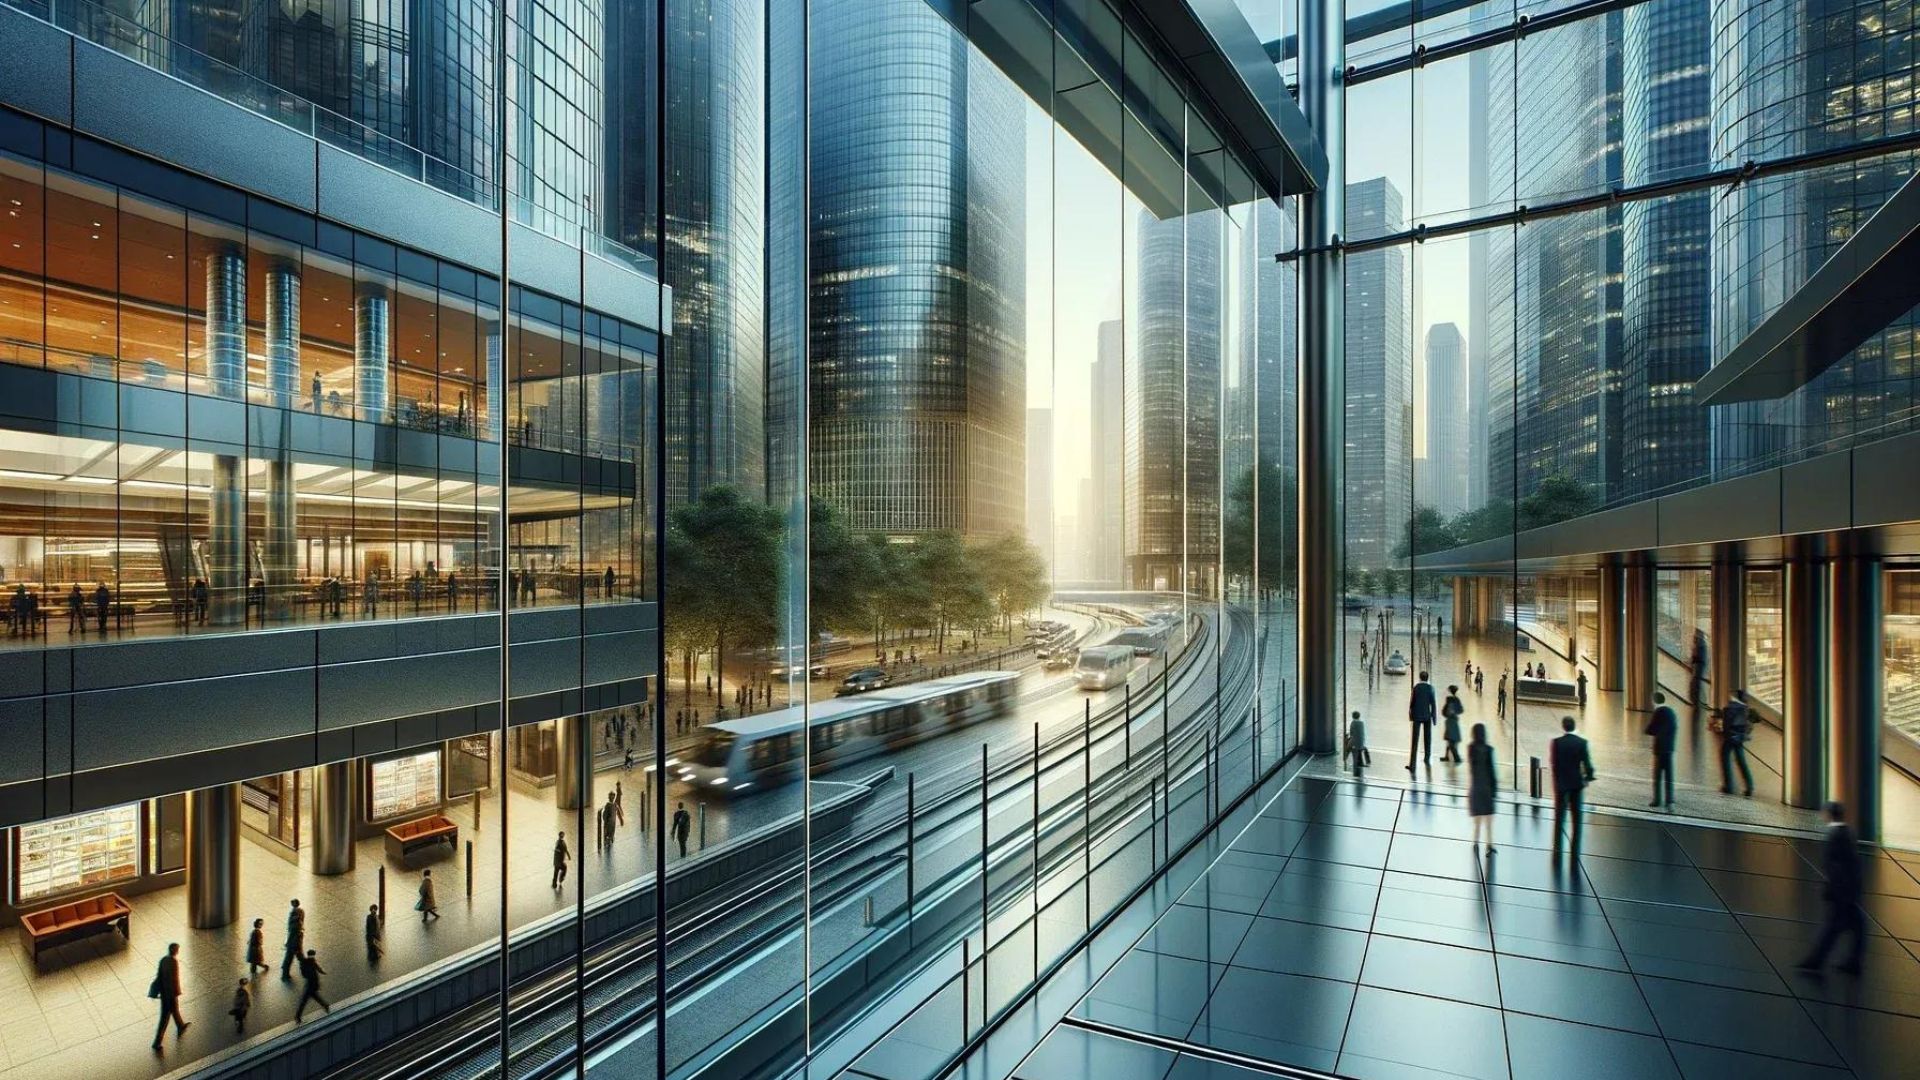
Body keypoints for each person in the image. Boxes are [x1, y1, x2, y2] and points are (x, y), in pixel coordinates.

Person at [1798, 801, 1866, 976]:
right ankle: (1853, 962)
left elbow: (1834, 867)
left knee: (1833, 928)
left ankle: (1815, 961)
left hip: (1841, 892)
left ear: (1828, 814)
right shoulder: (1848, 832)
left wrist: (1831, 889)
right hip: (1850, 890)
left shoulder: (1834, 836)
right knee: (1857, 927)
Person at [1549, 716, 1596, 858]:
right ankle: (1575, 849)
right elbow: (1588, 764)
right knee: (1577, 819)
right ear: (1574, 726)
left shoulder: (1556, 743)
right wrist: (1588, 777)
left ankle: (1557, 848)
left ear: (1563, 726)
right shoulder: (1582, 743)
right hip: (1576, 784)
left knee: (1559, 818)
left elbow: (1554, 764)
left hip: (1562, 785)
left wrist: (1556, 782)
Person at [151, 942, 189, 1049]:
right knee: (165, 1018)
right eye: (177, 949)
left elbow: (159, 976)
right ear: (174, 950)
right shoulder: (173, 962)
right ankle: (157, 1042)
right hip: (170, 994)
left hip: (165, 993)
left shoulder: (163, 960)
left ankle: (180, 1025)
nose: (178, 951)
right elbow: (173, 980)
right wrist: (175, 993)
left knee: (175, 1011)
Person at [1645, 692, 1678, 809]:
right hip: (1669, 749)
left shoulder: (1658, 712)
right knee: (1669, 777)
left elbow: (1650, 730)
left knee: (1657, 777)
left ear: (1655, 701)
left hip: (1660, 750)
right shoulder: (1672, 712)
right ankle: (1670, 802)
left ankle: (1657, 800)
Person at [1719, 689, 1754, 796]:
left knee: (1725, 758)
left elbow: (1726, 725)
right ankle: (1749, 786)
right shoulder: (1745, 709)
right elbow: (1748, 725)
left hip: (1730, 738)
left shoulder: (1729, 708)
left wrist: (1726, 734)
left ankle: (1728, 785)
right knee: (1741, 762)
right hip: (1739, 738)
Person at [1468, 723, 1497, 855]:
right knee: (1489, 822)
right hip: (1486, 788)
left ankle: (1475, 843)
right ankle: (1489, 844)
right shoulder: (1489, 750)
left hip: (1475, 787)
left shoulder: (1471, 749)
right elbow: (1492, 771)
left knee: (1477, 821)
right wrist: (1494, 790)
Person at [1405, 671, 1437, 772]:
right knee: (1428, 738)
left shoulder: (1416, 688)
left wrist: (1410, 715)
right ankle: (1427, 759)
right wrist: (1434, 718)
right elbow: (1433, 704)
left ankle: (1412, 765)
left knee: (1415, 741)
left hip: (1417, 716)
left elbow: (1412, 702)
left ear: (1420, 677)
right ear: (1427, 678)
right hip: (1427, 716)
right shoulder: (1431, 688)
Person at [295, 949, 330, 1020]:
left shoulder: (304, 963)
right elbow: (317, 968)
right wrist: (322, 972)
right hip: (313, 983)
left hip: (310, 984)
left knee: (304, 1000)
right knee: (314, 996)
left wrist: (320, 971)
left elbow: (304, 975)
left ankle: (298, 1016)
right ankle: (325, 1005)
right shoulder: (309, 961)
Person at [281, 898, 305, 979]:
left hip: (294, 941)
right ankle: (305, 968)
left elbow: (292, 929)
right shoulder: (301, 911)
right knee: (300, 956)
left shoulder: (294, 913)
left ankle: (285, 972)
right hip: (297, 939)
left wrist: (288, 942)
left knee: (289, 957)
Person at [1441, 685, 1465, 763]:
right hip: (1454, 720)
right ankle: (1455, 757)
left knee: (1450, 739)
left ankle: (1448, 756)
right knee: (1453, 739)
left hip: (1449, 720)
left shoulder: (1448, 700)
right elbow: (1461, 710)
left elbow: (1444, 711)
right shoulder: (1456, 700)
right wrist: (1455, 712)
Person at [1345, 711, 1369, 777]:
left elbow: (1352, 734)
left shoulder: (1353, 723)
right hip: (1361, 743)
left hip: (1355, 743)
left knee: (1348, 747)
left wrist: (1347, 738)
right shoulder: (1362, 723)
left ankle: (1345, 758)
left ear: (1353, 716)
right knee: (1351, 745)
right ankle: (1362, 763)